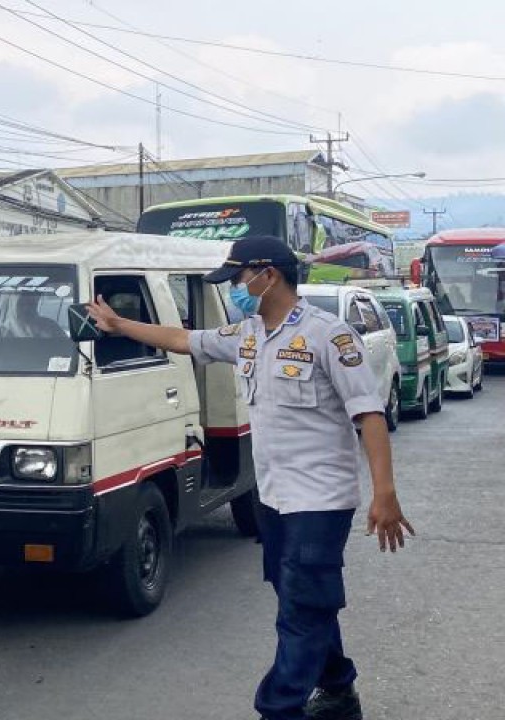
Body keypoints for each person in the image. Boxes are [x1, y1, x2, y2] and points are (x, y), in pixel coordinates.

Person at [84, 235, 414, 720]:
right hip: (275, 496)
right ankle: (339, 690)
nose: (237, 287)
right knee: (300, 596)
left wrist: (385, 495)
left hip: (320, 500)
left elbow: (369, 416)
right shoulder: (247, 334)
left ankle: (278, 708)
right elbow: (183, 340)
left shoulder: (330, 336)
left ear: (268, 275)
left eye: (239, 277)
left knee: (300, 608)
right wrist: (117, 323)